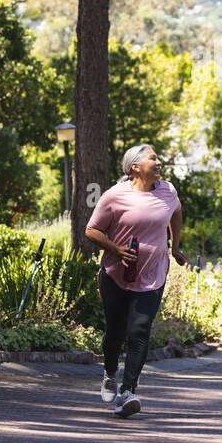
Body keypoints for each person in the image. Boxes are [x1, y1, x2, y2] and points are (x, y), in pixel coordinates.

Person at [85, 143, 187, 418]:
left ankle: (128, 391)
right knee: (115, 331)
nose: (158, 161)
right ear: (135, 167)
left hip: (153, 275)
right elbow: (91, 230)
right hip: (116, 275)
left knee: (139, 330)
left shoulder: (168, 191)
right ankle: (109, 373)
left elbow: (176, 213)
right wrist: (116, 250)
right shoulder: (114, 196)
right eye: (152, 158)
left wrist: (175, 245)